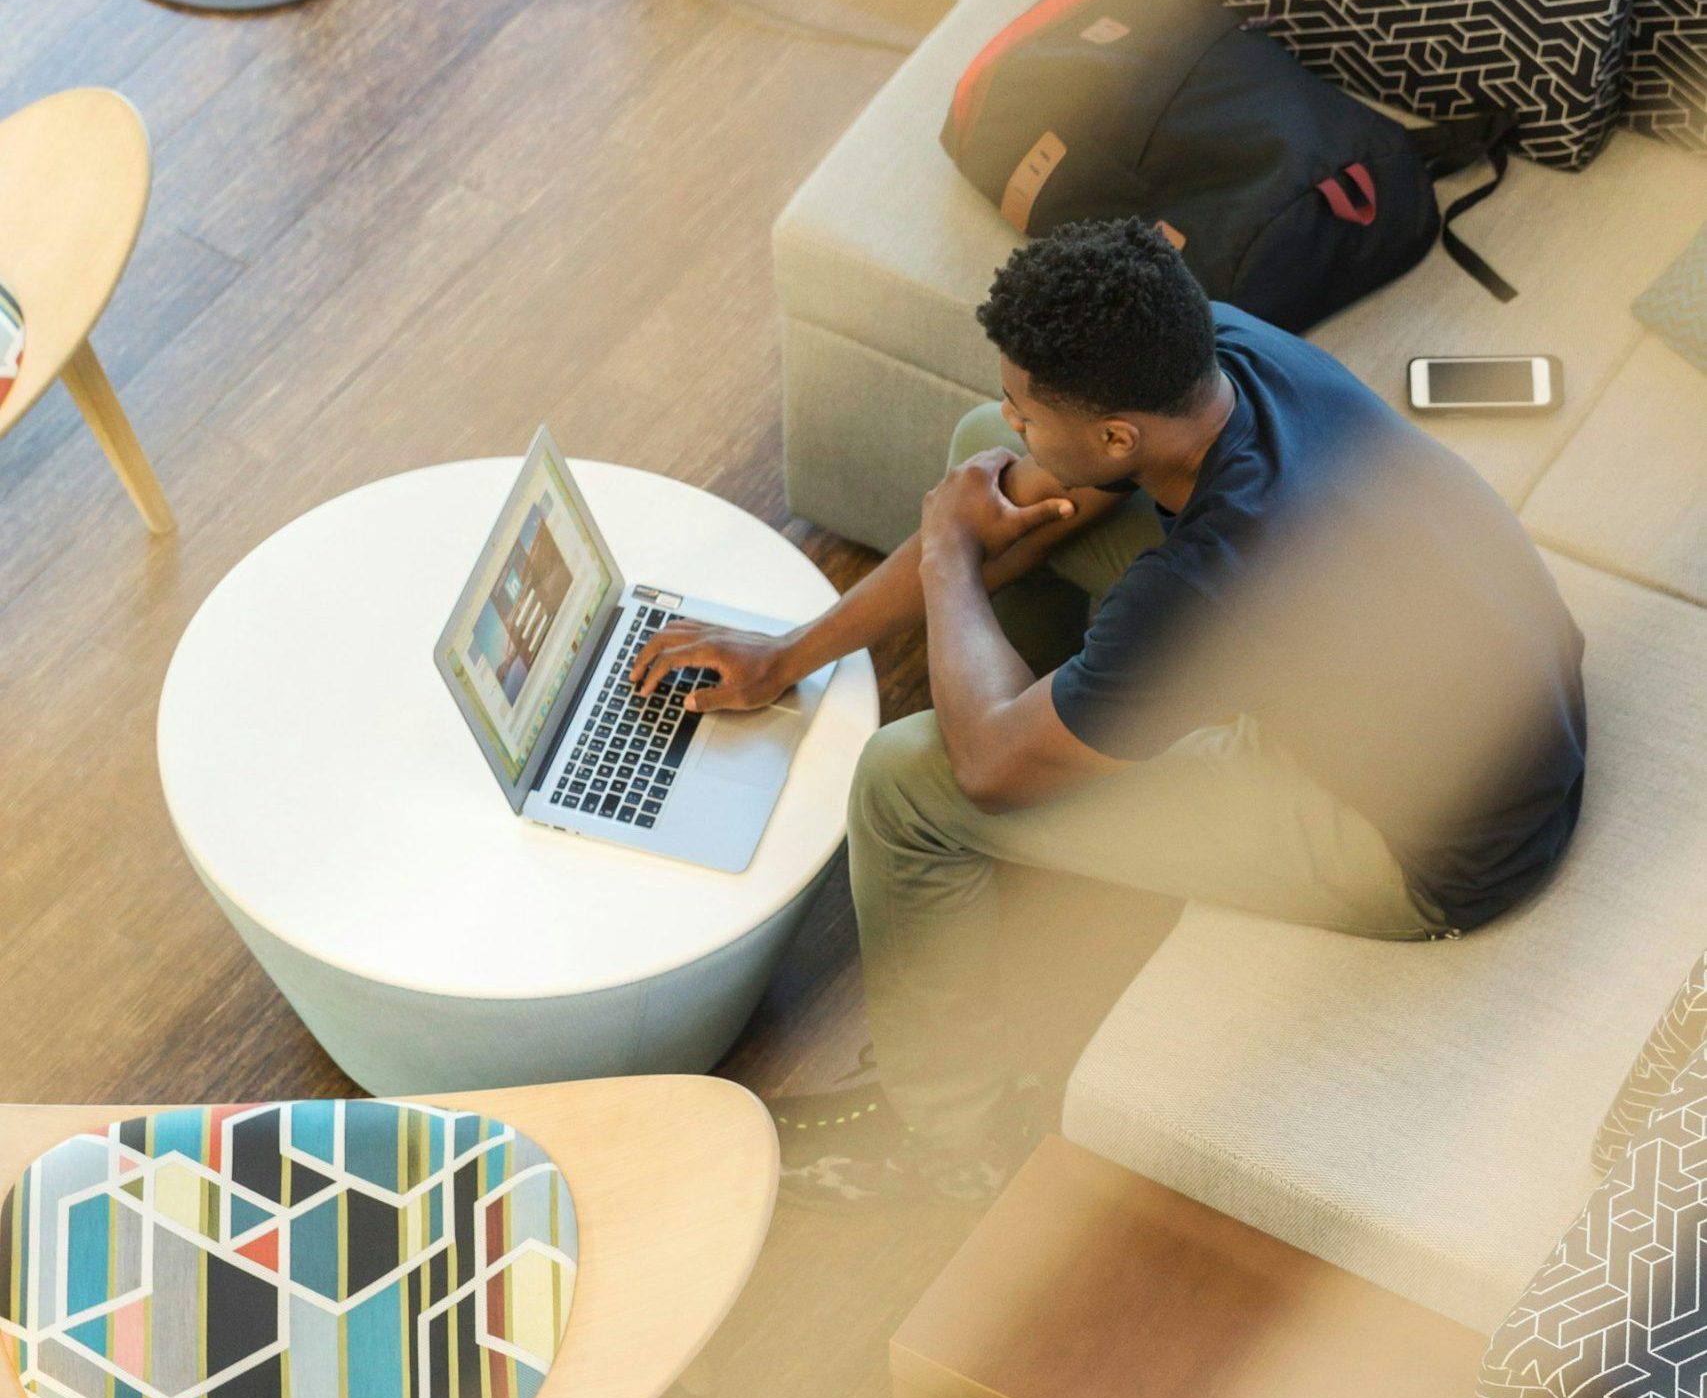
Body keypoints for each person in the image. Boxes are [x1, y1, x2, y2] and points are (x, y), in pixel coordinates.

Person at [632, 219, 1588, 1206]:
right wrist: (788, 655)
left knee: (905, 782)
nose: (1014, 418)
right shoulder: (1218, 350)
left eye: (1028, 406)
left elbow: (986, 767)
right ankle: (1066, 724)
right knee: (978, 459)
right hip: (1493, 695)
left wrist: (947, 555)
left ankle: (945, 1138)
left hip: (1425, 844)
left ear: (1119, 435)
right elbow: (1022, 482)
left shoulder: (1221, 573)